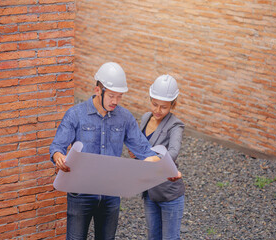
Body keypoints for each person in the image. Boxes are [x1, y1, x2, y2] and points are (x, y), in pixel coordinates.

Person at [49, 62, 160, 240]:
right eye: (111, 96)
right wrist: (58, 156)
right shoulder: (75, 115)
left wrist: (159, 164)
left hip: (110, 195)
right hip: (80, 194)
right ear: (97, 90)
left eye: (119, 96)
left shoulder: (125, 118)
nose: (115, 101)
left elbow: (144, 150)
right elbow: (57, 147)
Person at [135, 74, 185, 240]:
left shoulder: (175, 125)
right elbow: (141, 146)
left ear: (173, 104)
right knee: (153, 237)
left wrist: (152, 159)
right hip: (150, 191)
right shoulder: (145, 118)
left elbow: (173, 152)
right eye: (154, 104)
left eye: (163, 107)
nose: (157, 110)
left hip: (169, 194)